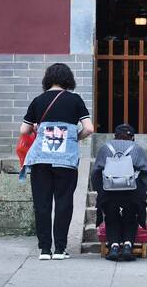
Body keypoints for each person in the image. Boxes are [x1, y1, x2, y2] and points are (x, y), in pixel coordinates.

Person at [20, 63, 94, 260]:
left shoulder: (38, 100)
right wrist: (75, 138)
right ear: (68, 79)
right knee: (64, 203)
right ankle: (60, 249)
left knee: (42, 204)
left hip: (41, 160)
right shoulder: (75, 100)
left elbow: (23, 130)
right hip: (66, 161)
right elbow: (89, 128)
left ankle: (45, 249)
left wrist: (38, 129)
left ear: (47, 79)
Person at [91, 124, 147, 261]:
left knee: (111, 217)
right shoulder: (136, 148)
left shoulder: (105, 147)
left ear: (115, 135)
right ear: (132, 137)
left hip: (109, 190)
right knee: (131, 217)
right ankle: (127, 247)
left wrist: (99, 189)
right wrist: (143, 189)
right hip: (132, 191)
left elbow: (96, 171)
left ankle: (113, 247)